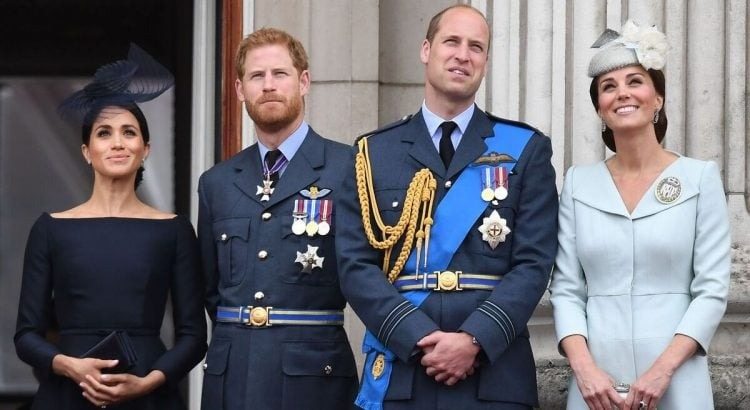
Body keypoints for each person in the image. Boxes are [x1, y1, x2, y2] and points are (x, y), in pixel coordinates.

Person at [336, 5, 558, 409]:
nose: (463, 55)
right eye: (451, 41)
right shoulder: (373, 153)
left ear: (486, 62)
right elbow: (355, 264)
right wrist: (417, 337)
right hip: (404, 371)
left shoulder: (525, 149)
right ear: (426, 49)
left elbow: (534, 263)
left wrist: (474, 339)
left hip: (495, 375)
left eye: (476, 47)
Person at [14, 44, 207, 410]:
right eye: (104, 133)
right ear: (86, 151)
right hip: (68, 393)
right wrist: (69, 366)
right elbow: (26, 335)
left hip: (149, 393)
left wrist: (149, 381)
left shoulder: (174, 229)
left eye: (129, 132)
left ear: (145, 148)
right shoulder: (51, 229)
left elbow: (194, 336)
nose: (117, 143)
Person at [549, 21, 731, 410]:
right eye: (608, 86)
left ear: (657, 98)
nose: (622, 93)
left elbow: (712, 289)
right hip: (595, 387)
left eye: (635, 81)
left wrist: (661, 371)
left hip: (676, 380)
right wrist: (585, 372)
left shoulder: (699, 178)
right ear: (599, 106)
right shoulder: (578, 184)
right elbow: (566, 289)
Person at [198, 27, 358, 410]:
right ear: (239, 90)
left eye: (279, 74)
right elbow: (209, 288)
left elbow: (366, 273)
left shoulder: (347, 168)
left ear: (303, 81)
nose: (268, 85)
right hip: (233, 376)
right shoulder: (216, 183)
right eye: (256, 76)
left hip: (313, 379)